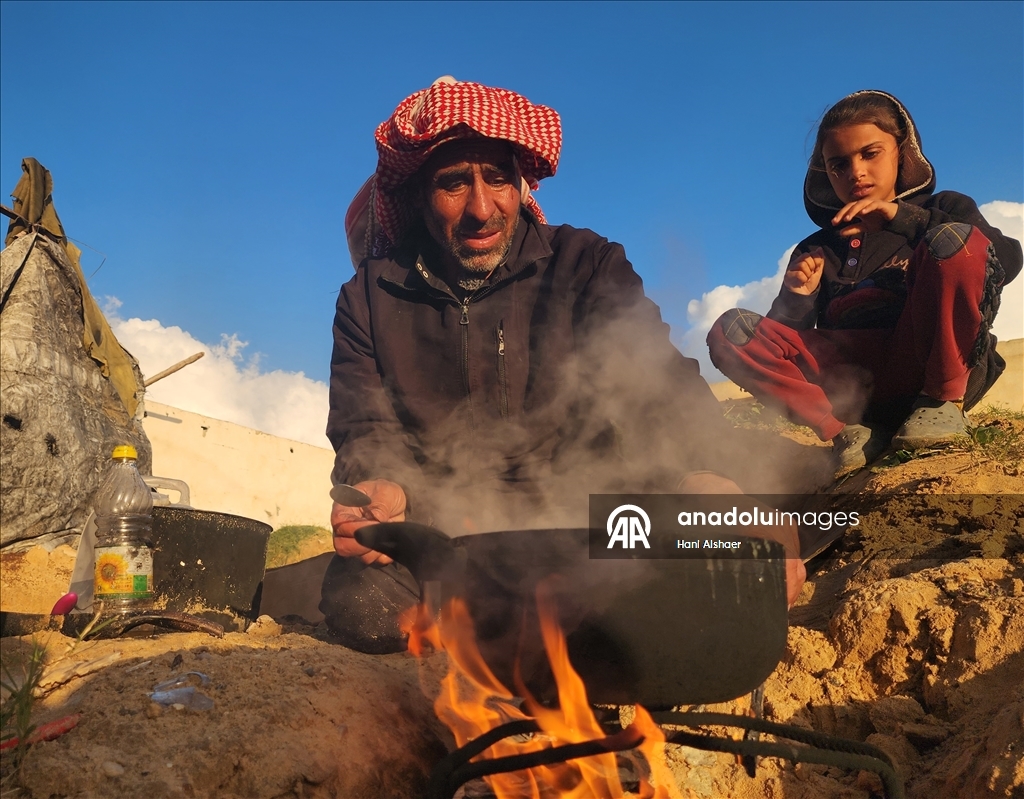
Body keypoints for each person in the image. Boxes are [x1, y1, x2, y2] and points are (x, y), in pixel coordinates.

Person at [322, 77, 804, 653]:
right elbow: (363, 424)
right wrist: (382, 483)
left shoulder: (585, 263)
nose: (481, 208)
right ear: (420, 195)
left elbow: (655, 379)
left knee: (694, 563)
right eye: (453, 183)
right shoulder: (367, 298)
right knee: (363, 599)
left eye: (497, 178)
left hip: (590, 523)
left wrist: (707, 475)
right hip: (447, 535)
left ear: (521, 182)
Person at [707, 90, 1022, 477]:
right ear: (826, 173)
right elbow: (784, 348)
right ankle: (845, 432)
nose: (855, 172)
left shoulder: (944, 209)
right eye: (838, 164)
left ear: (901, 153)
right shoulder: (817, 248)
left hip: (925, 365)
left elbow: (1004, 260)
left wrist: (904, 219)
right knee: (732, 332)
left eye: (870, 154)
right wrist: (796, 298)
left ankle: (942, 404)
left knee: (957, 241)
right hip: (851, 391)